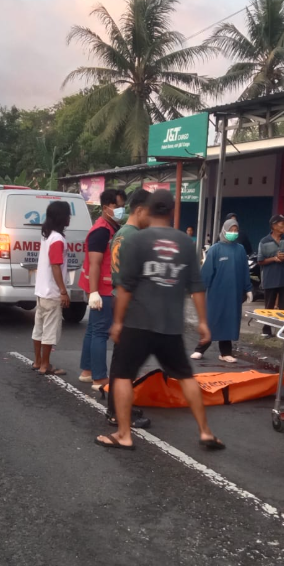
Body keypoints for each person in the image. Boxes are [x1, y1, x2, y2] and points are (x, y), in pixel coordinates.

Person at [95, 190, 224, 451]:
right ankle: (206, 432)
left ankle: (124, 434)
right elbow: (197, 286)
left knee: (122, 376)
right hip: (170, 325)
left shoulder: (137, 241)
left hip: (137, 323)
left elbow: (126, 287)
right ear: (171, 212)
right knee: (186, 377)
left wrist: (118, 321)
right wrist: (202, 322)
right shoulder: (186, 243)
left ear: (149, 210)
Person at [106, 189, 153, 429]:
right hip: (130, 302)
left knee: (122, 360)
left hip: (121, 298)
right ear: (140, 210)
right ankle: (117, 411)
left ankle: (116, 406)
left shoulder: (122, 233)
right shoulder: (135, 237)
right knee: (125, 361)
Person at [79, 189, 123, 390]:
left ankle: (87, 371)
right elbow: (95, 262)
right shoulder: (102, 230)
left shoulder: (110, 227)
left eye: (123, 206)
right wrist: (94, 292)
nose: (122, 210)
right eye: (118, 206)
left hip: (100, 288)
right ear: (106, 208)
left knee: (92, 330)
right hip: (103, 290)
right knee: (100, 332)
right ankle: (99, 378)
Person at [192, 217, 252, 363]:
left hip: (234, 294)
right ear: (224, 231)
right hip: (217, 293)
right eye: (230, 230)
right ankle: (200, 349)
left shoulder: (240, 249)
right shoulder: (215, 249)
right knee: (213, 320)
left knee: (229, 321)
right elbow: (206, 272)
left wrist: (248, 288)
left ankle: (225, 352)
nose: (233, 232)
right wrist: (198, 290)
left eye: (235, 230)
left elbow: (245, 271)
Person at [32, 201, 72, 376]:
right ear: (61, 217)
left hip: (41, 291)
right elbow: (56, 266)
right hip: (52, 292)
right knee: (50, 330)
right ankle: (45, 365)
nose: (69, 217)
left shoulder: (47, 236)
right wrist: (63, 291)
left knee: (38, 328)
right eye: (67, 214)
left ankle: (37, 361)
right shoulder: (57, 239)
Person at [258, 214, 284, 336]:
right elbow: (260, 260)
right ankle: (266, 330)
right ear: (274, 226)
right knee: (269, 307)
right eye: (282, 223)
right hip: (270, 279)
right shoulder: (264, 241)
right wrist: (274, 258)